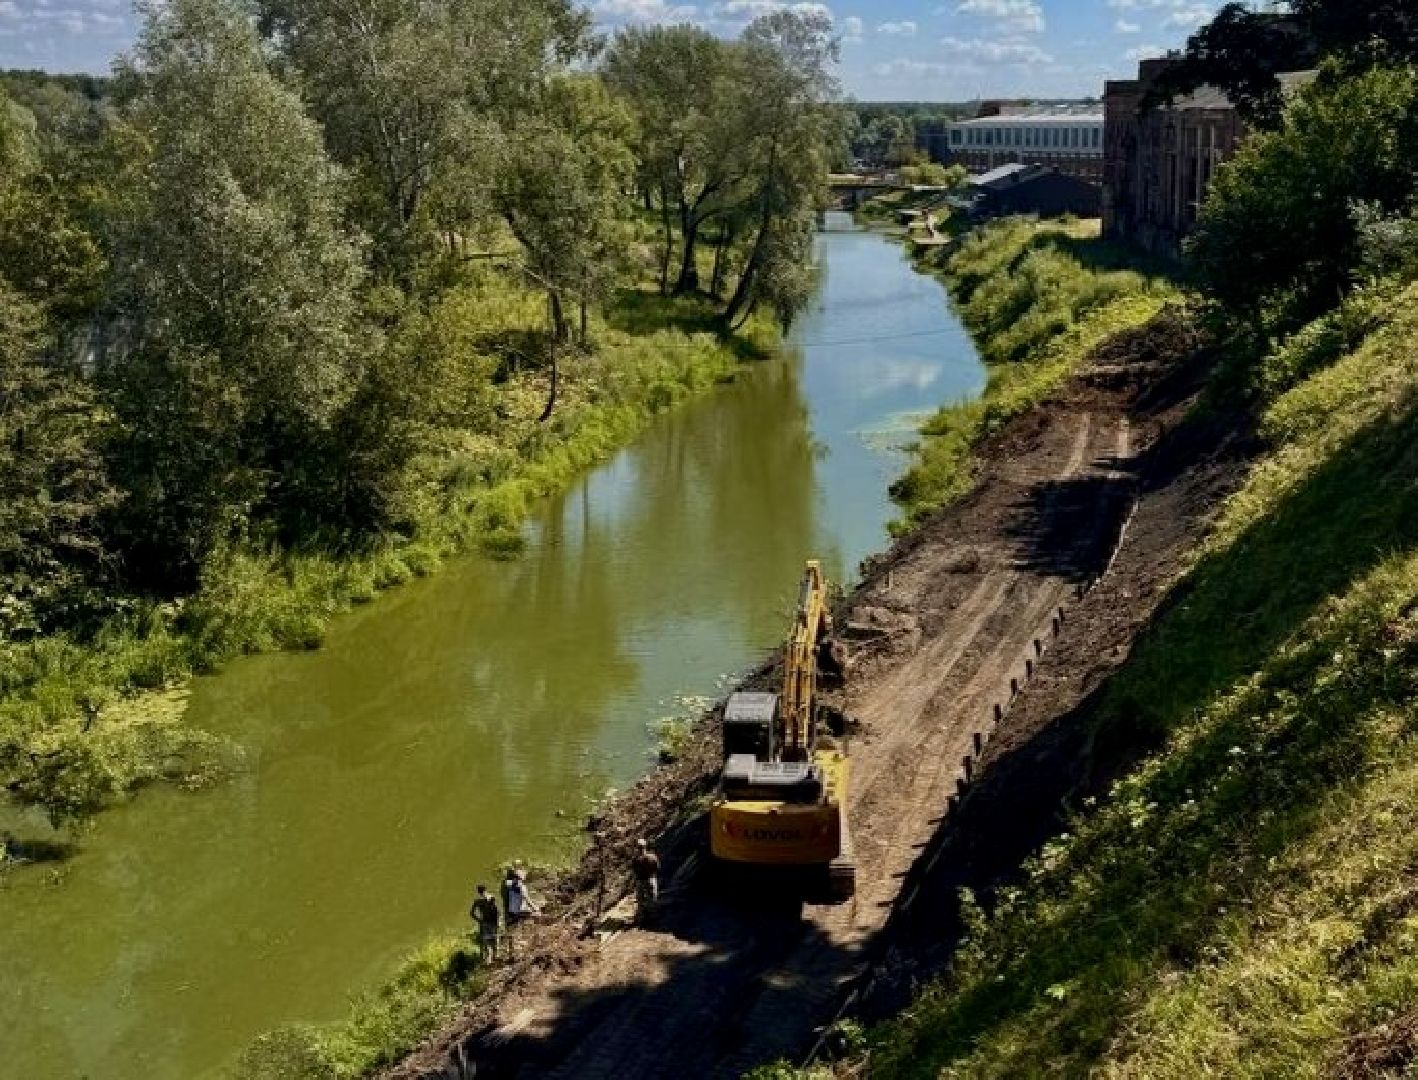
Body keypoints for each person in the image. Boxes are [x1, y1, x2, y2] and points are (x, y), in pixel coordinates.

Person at [501, 864, 539, 959]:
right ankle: (527, 948)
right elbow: (525, 897)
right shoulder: (520, 885)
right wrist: (535, 908)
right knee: (536, 918)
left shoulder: (503, 886)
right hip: (519, 911)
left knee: (511, 935)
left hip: (508, 913)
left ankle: (511, 955)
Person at [470, 884, 500, 965]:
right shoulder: (491, 897)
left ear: (478, 891)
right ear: (485, 889)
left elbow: (471, 913)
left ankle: (485, 959)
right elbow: (496, 911)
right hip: (492, 921)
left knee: (485, 941)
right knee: (495, 938)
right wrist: (498, 922)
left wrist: (479, 920)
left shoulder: (477, 901)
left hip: (484, 922)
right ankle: (495, 956)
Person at [632, 838, 661, 922]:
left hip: (640, 881)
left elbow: (634, 871)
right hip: (650, 879)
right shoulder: (652, 857)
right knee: (652, 899)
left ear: (637, 848)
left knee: (640, 900)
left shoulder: (635, 859)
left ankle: (642, 918)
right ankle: (653, 918)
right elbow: (658, 867)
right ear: (645, 846)